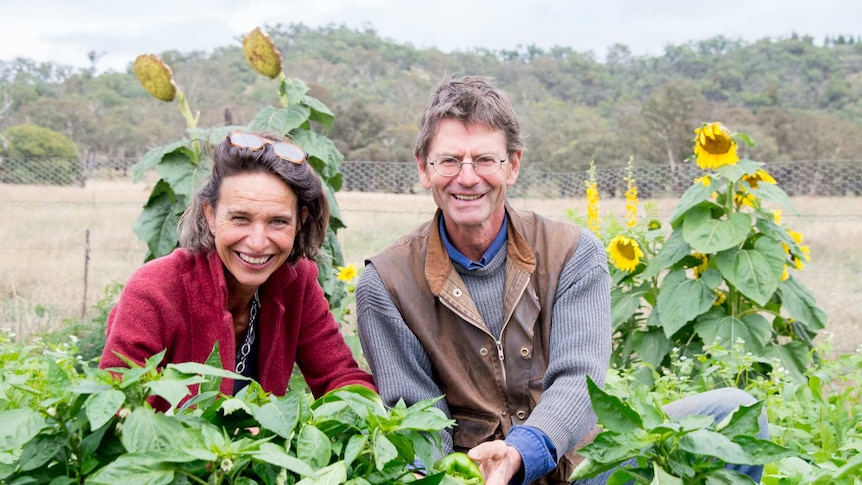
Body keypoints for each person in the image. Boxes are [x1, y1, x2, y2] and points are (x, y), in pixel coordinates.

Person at [355, 76, 766, 485]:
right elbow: (418, 421)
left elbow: (579, 380)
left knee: (734, 410)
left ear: (512, 165)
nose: (466, 177)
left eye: (484, 159)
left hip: (581, 467)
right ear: (424, 169)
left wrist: (521, 452)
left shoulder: (571, 252)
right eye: (448, 161)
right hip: (475, 480)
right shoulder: (388, 282)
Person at [100, 131, 375, 408]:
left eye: (278, 221)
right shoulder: (155, 288)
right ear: (210, 215)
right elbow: (118, 407)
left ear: (300, 221)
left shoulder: (296, 282)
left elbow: (340, 378)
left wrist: (369, 415)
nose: (257, 242)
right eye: (240, 218)